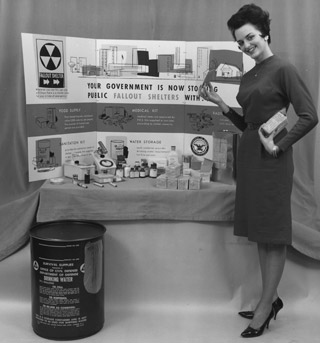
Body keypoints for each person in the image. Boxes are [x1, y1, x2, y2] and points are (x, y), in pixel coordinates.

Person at [199, 3, 318, 338]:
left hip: (272, 158)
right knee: (261, 232)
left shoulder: (283, 68)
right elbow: (249, 124)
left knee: (273, 231)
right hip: (251, 155)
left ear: (265, 33)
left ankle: (265, 307)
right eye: (240, 42)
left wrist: (281, 145)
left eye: (249, 37)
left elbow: (310, 115)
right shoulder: (250, 73)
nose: (245, 45)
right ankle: (272, 298)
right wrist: (221, 104)